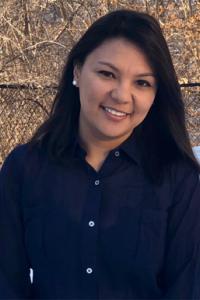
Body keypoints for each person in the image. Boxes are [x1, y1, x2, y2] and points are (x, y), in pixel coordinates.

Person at [0, 9, 200, 299]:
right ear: (77, 71)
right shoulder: (25, 168)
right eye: (107, 74)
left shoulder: (178, 178)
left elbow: (186, 289)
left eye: (142, 82)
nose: (121, 95)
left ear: (157, 94)